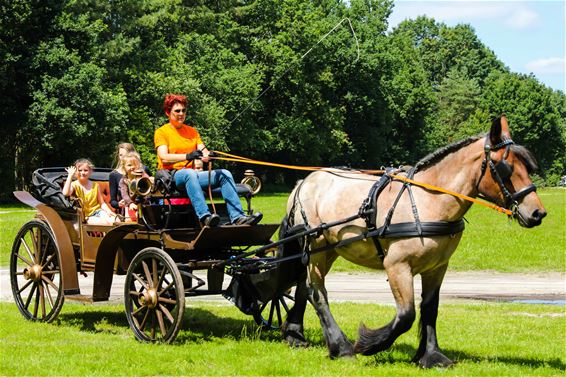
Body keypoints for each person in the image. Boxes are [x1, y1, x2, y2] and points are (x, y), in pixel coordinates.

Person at [154, 93, 262, 227]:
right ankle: (205, 216)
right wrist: (188, 156)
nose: (181, 113)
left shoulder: (192, 132)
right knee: (190, 173)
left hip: (193, 176)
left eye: (183, 110)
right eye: (177, 111)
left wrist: (208, 154)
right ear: (167, 112)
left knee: (225, 173)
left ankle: (238, 217)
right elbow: (164, 157)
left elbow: (203, 152)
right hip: (173, 176)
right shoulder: (161, 132)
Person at [62, 158, 115, 225]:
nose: (82, 173)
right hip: (85, 216)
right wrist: (70, 176)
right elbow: (65, 193)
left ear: (90, 171)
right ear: (76, 172)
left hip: (98, 211)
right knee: (104, 223)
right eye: (80, 170)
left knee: (114, 221)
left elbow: (102, 203)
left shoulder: (95, 185)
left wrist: (109, 211)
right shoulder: (74, 185)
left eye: (85, 170)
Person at [118, 151, 152, 221]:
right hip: (130, 203)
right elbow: (124, 194)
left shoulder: (144, 176)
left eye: (135, 164)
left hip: (144, 203)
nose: (133, 167)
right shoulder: (124, 180)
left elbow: (149, 189)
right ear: (124, 167)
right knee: (131, 219)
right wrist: (130, 203)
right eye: (129, 165)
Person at [109, 142, 136, 212]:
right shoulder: (114, 174)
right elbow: (112, 201)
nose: (123, 158)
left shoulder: (143, 170)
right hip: (125, 210)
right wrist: (118, 204)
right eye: (121, 155)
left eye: (126, 155)